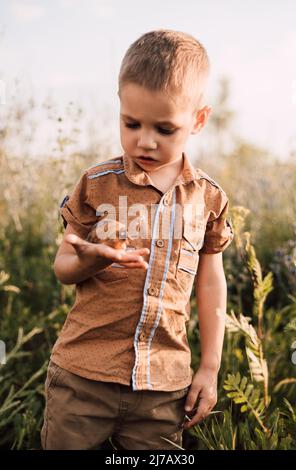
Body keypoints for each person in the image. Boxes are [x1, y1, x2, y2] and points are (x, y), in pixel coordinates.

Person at [41, 29, 234, 450]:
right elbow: (63, 267)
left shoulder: (209, 198)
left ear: (199, 120)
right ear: (120, 108)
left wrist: (209, 367)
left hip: (163, 387)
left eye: (165, 128)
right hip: (82, 379)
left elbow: (210, 282)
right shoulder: (96, 184)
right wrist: (92, 261)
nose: (145, 140)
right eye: (132, 123)